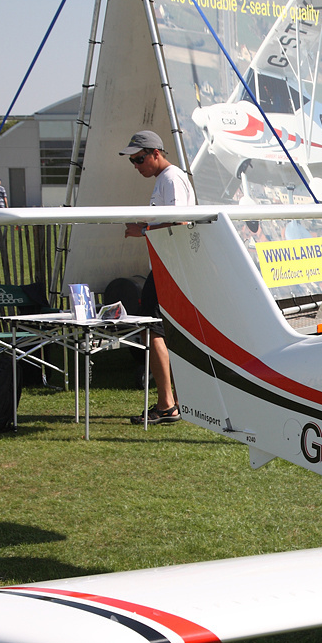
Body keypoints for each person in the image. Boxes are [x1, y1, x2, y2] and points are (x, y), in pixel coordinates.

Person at [119, 130, 195, 425]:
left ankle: (167, 405)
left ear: (155, 154)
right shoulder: (165, 179)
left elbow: (180, 221)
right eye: (132, 161)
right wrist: (145, 225)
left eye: (139, 159)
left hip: (170, 266)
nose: (136, 166)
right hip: (166, 265)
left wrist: (144, 230)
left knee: (152, 329)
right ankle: (171, 401)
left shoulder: (171, 178)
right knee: (155, 329)